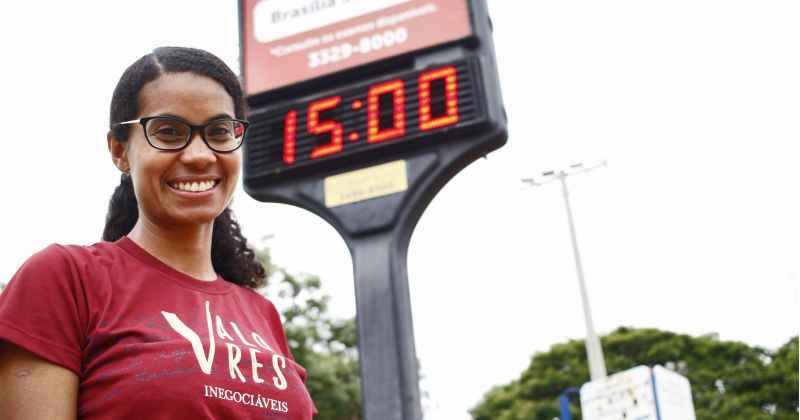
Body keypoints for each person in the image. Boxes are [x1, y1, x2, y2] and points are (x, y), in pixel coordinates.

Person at [0, 46, 315, 419]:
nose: (200, 155)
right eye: (168, 132)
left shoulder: (263, 315)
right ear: (119, 151)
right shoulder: (66, 278)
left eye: (218, 131)